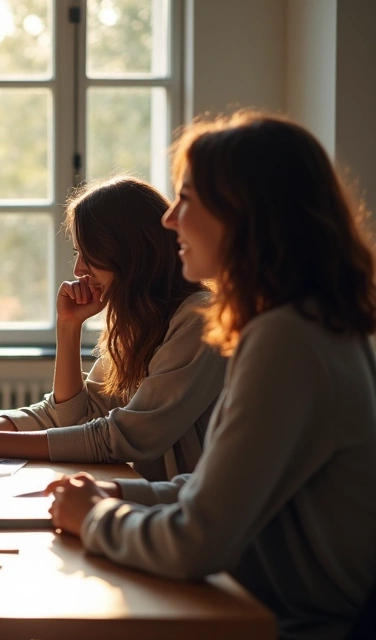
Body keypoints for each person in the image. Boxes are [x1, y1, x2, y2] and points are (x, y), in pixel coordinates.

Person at [45, 113, 376, 640]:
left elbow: (195, 541)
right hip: (258, 604)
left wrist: (94, 518)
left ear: (244, 215)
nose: (170, 219)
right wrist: (116, 493)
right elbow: (211, 491)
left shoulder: (286, 340)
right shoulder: (304, 325)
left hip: (282, 625)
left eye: (187, 199)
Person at [0, 177, 223, 482]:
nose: (79, 270)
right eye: (78, 254)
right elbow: (68, 417)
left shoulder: (198, 320)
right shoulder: (138, 325)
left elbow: (121, 438)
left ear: (128, 253)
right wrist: (68, 326)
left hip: (186, 515)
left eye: (88, 255)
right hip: (149, 501)